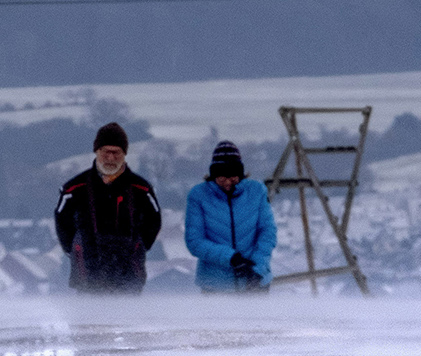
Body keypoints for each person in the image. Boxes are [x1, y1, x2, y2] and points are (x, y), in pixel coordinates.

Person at [55, 122, 162, 294]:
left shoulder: (141, 189)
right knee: (88, 320)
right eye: (106, 152)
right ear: (97, 151)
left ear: (124, 154)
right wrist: (76, 248)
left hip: (129, 276)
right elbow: (62, 222)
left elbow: (153, 221)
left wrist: (139, 246)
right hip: (87, 274)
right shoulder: (74, 188)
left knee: (129, 320)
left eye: (116, 152)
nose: (111, 158)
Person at [185, 141, 276, 292]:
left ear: (241, 174)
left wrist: (257, 268)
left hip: (255, 282)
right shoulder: (199, 195)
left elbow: (267, 232)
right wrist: (231, 258)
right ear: (213, 175)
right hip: (215, 285)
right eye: (222, 178)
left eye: (233, 177)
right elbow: (195, 241)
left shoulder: (257, 191)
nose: (227, 183)